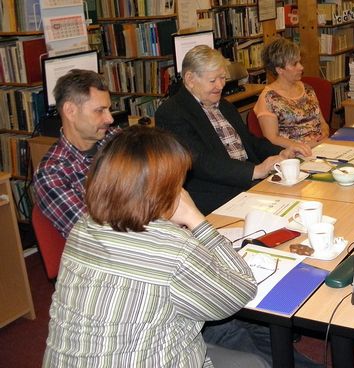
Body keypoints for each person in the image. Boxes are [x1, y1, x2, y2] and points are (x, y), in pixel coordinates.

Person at [43, 126, 270, 368]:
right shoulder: (173, 248)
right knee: (255, 363)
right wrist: (196, 219)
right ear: (165, 190)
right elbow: (241, 290)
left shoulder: (83, 227)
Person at [155, 45, 303, 214]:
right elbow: (199, 161)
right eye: (212, 81)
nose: (220, 86)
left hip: (249, 180)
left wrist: (281, 152)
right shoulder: (172, 113)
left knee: (301, 198)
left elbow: (249, 142)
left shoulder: (223, 105)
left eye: (223, 78)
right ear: (190, 79)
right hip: (217, 193)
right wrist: (255, 171)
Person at [33, 69, 120, 238]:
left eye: (109, 109)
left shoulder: (115, 139)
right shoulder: (52, 174)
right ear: (70, 111)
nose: (110, 119)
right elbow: (96, 236)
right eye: (100, 110)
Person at [253, 38, 329, 152]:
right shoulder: (268, 98)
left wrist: (325, 131)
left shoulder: (307, 89)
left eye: (299, 62)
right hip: (296, 154)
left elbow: (322, 122)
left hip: (322, 147)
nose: (301, 67)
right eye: (294, 64)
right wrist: (298, 146)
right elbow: (271, 138)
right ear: (279, 70)